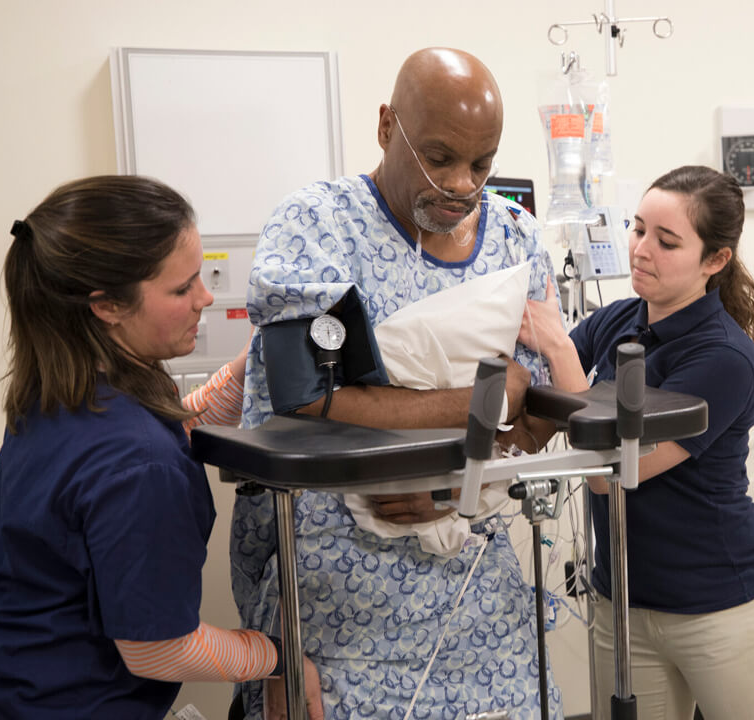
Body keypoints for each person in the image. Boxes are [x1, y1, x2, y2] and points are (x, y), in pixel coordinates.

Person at [230, 47, 563, 720]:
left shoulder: (515, 239)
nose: (461, 185)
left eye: (482, 164)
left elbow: (537, 419)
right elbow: (305, 397)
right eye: (439, 158)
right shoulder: (317, 226)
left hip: (473, 584)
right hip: (334, 591)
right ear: (387, 126)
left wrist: (453, 488)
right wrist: (480, 402)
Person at [0, 176, 323, 720]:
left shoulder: (62, 390)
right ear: (107, 305)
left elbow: (166, 428)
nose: (206, 298)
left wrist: (246, 371)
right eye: (182, 289)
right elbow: (159, 650)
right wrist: (278, 655)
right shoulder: (137, 462)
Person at [518, 165, 754, 720]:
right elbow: (537, 401)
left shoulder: (724, 358)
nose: (641, 250)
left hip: (722, 610)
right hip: (623, 605)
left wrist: (558, 347)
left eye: (667, 241)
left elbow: (608, 474)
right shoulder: (616, 321)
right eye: (637, 228)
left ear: (715, 261)